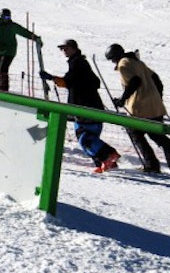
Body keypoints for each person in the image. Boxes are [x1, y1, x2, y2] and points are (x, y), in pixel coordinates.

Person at [104, 43, 170, 176]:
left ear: (115, 56)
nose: (113, 62)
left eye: (112, 59)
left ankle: (151, 164)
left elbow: (135, 82)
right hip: (154, 105)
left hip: (140, 107)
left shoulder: (123, 64)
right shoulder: (138, 63)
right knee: (157, 135)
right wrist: (157, 97)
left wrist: (122, 99)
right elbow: (156, 79)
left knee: (134, 132)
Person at [40, 40, 120, 173]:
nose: (63, 51)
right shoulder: (78, 62)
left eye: (65, 48)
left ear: (73, 48)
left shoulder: (78, 63)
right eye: (62, 49)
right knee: (88, 136)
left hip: (86, 107)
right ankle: (104, 163)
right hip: (90, 105)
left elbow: (69, 81)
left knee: (85, 138)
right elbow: (86, 82)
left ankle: (108, 155)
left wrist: (51, 78)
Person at [0, 8, 41, 91]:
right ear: (1, 17)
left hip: (9, 51)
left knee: (2, 69)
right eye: (5, 17)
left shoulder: (13, 26)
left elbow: (24, 32)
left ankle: (4, 88)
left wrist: (35, 38)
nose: (7, 19)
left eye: (8, 17)